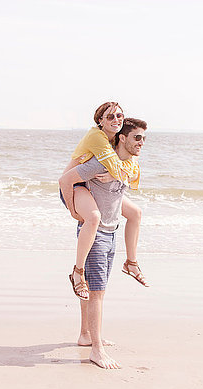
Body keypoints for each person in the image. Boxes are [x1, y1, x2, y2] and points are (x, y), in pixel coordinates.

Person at [59, 118, 148, 369]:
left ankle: (86, 335)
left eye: (144, 139)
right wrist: (74, 211)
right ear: (122, 138)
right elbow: (66, 179)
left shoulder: (127, 164)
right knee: (98, 292)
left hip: (112, 231)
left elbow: (125, 194)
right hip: (95, 232)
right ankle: (96, 350)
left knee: (96, 288)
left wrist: (115, 176)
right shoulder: (98, 163)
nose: (142, 143)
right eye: (137, 138)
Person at [60, 102, 148, 301]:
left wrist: (115, 176)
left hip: (89, 184)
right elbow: (114, 165)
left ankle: (131, 263)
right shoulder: (97, 137)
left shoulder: (115, 138)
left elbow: (132, 167)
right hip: (73, 185)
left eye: (119, 116)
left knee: (135, 213)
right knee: (93, 217)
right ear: (100, 121)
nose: (116, 120)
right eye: (110, 117)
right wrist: (73, 211)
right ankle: (78, 272)